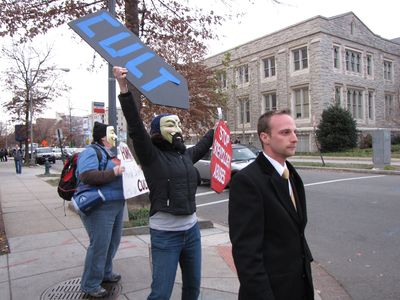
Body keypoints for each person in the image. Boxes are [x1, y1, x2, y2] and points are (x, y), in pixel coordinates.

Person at [113, 66, 214, 300]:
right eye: (170, 125)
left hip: (192, 232)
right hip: (165, 235)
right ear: (158, 131)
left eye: (178, 125)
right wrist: (124, 88)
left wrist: (215, 130)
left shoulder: (184, 155)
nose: (177, 130)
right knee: (160, 294)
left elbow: (200, 147)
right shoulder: (151, 156)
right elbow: (136, 126)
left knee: (192, 290)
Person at [228, 109, 314, 300]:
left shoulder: (291, 174)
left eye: (295, 132)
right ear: (265, 137)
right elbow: (246, 254)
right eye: (285, 132)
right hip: (270, 291)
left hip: (299, 285)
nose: (294, 139)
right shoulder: (247, 181)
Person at [76, 121, 125, 298]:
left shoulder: (111, 152)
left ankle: (105, 272)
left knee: (112, 243)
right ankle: (90, 284)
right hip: (100, 206)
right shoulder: (91, 152)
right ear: (103, 136)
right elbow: (87, 175)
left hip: (116, 203)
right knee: (99, 245)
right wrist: (115, 172)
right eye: (112, 132)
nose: (115, 135)